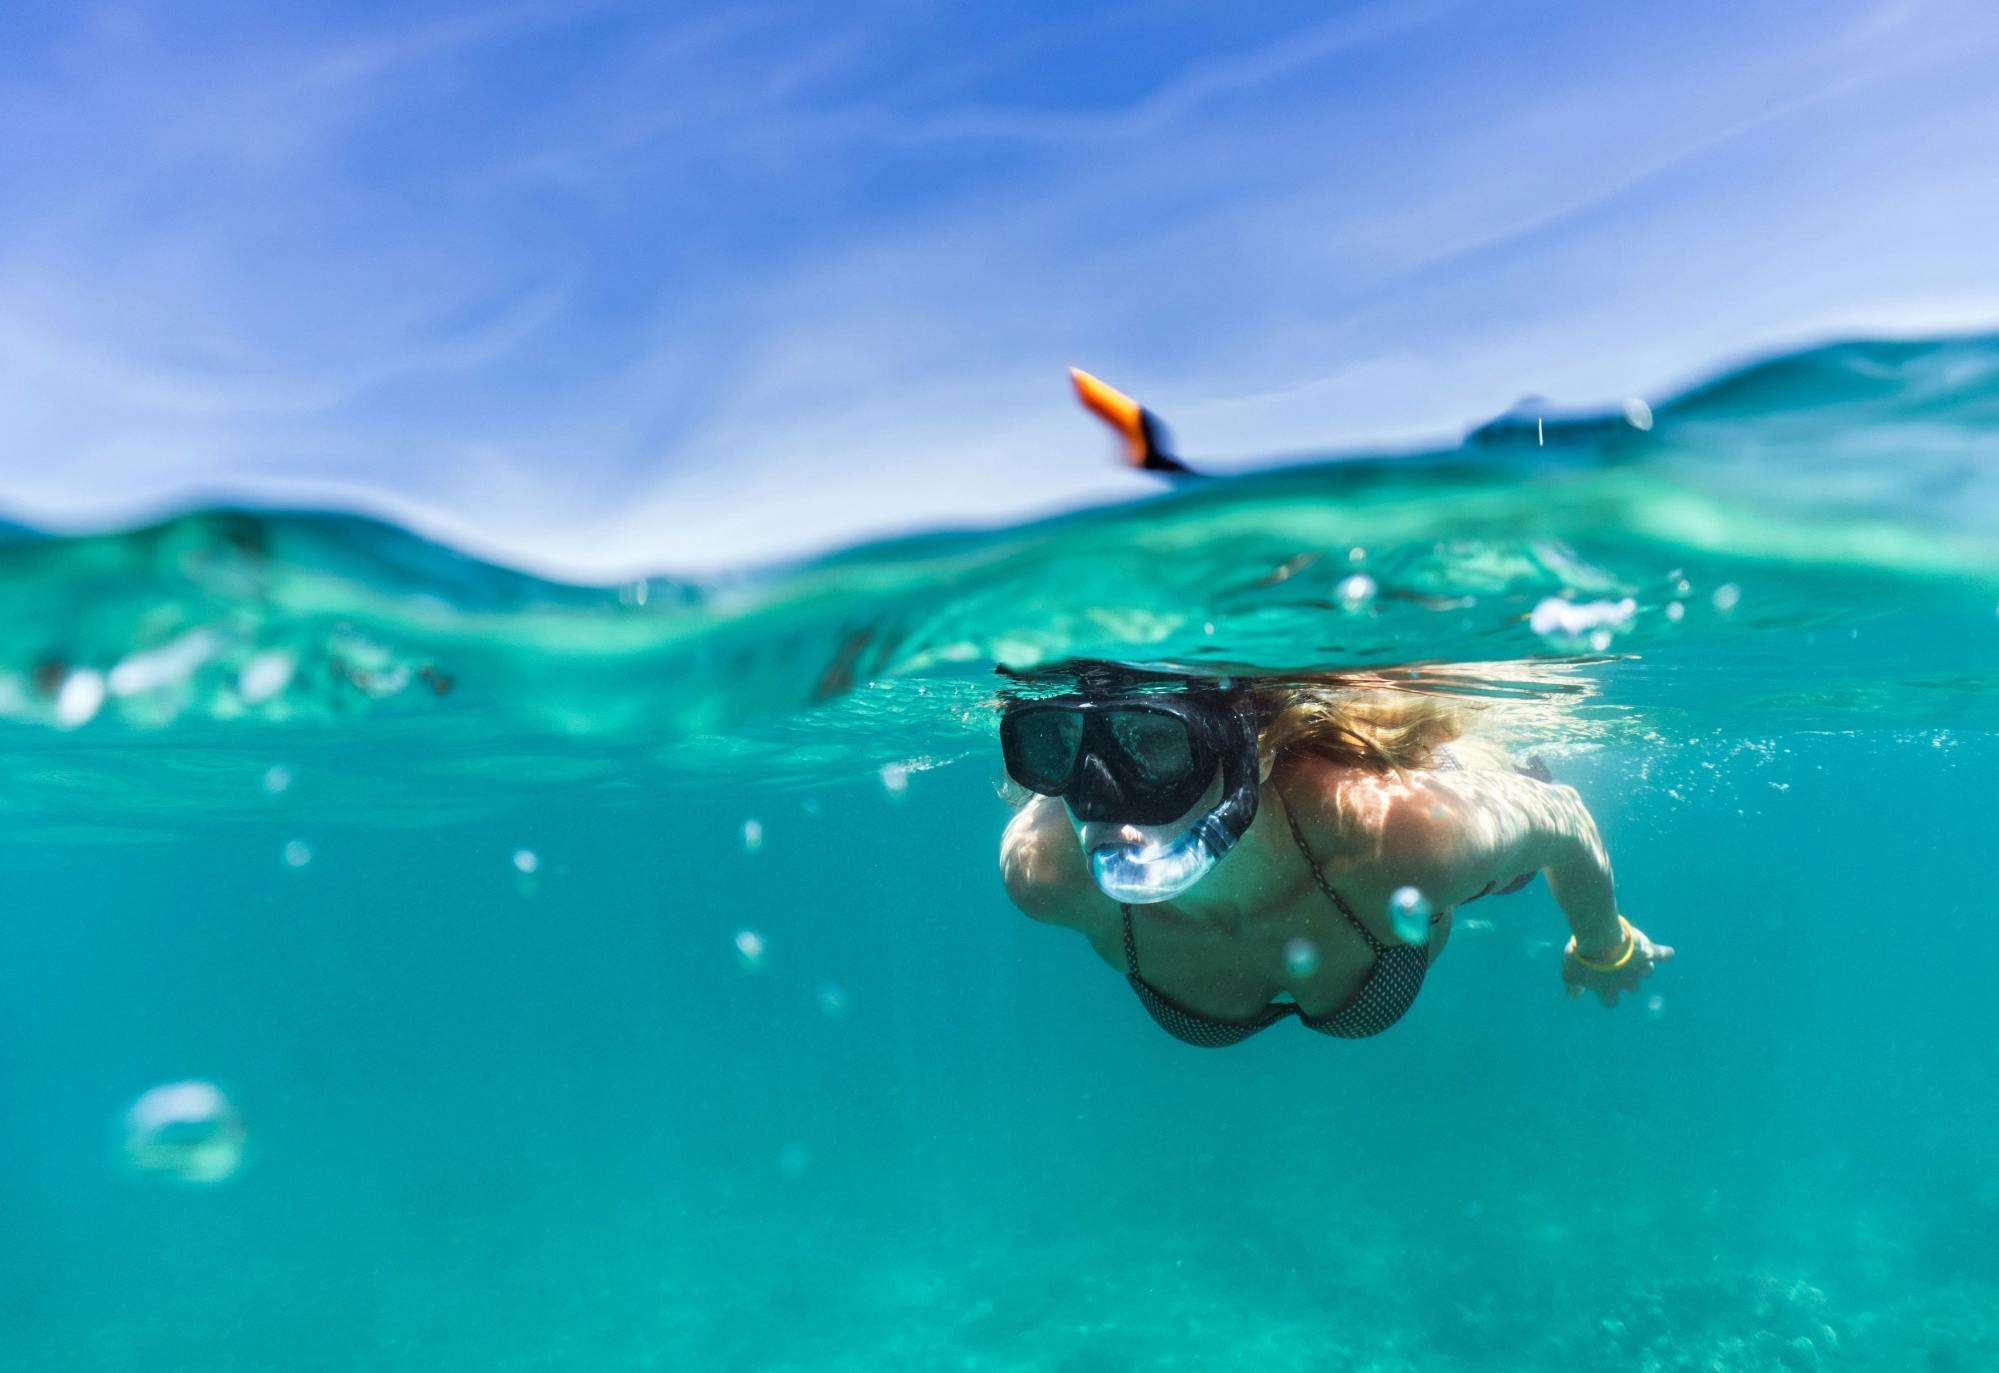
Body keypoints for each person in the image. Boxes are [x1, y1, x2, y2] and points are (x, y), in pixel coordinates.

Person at [998, 662, 1673, 1046]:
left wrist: (1601, 944)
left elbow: (1568, 819)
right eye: (1055, 749)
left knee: (1502, 864)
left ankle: (1499, 766)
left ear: (1253, 751)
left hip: (1415, 796)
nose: (1101, 795)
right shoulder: (1044, 871)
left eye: (1154, 745)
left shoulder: (1401, 836)